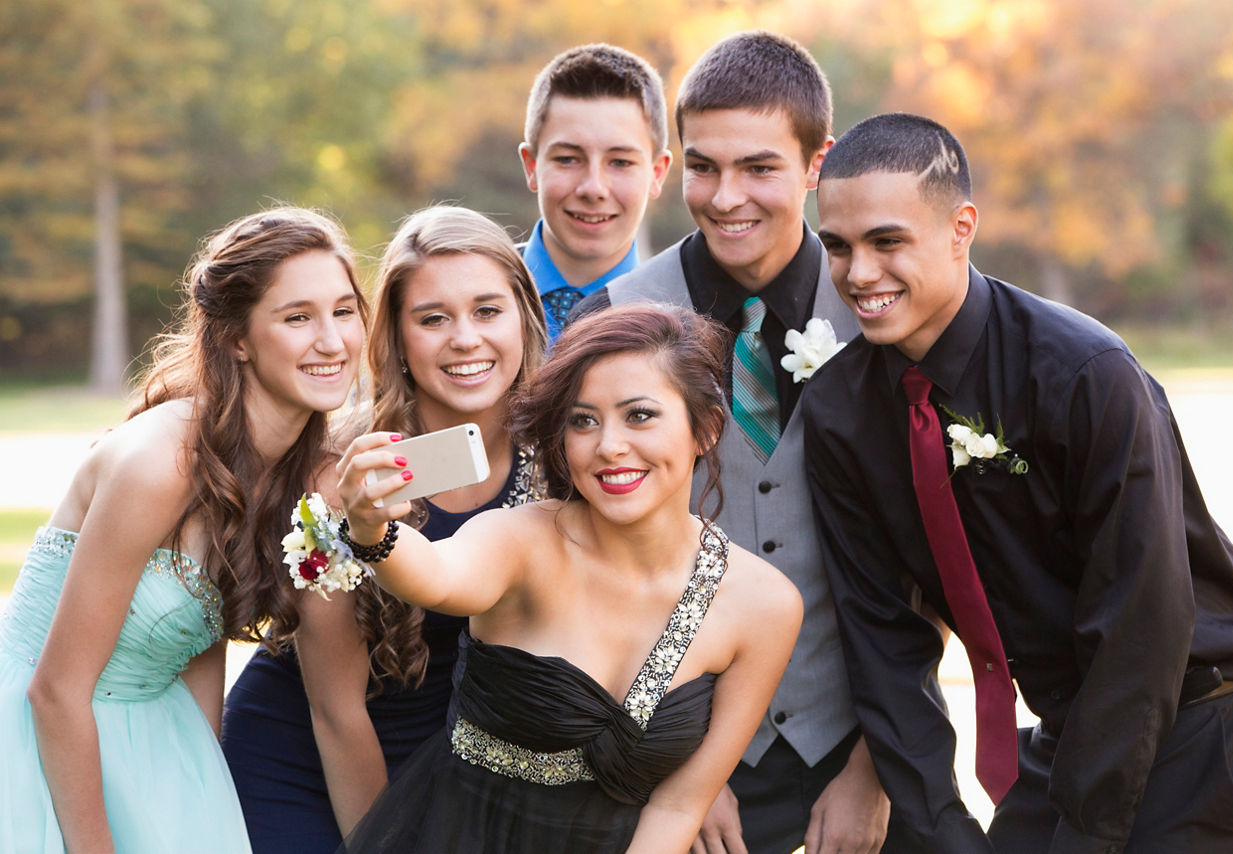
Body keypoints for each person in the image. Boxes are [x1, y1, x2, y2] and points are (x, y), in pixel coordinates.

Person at [806, 111, 1233, 853]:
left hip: (1197, 727)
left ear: (961, 227)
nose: (858, 273)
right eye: (837, 246)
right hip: (1068, 734)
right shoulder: (839, 412)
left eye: (887, 241)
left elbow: (1143, 620)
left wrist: (1084, 836)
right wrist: (941, 830)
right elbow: (882, 640)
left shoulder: (1086, 374)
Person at [570, 30, 892, 854]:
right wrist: (675, 770)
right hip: (677, 745)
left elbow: (927, 564)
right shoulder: (615, 317)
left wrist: (876, 768)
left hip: (856, 739)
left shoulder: (883, 313)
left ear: (816, 163)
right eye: (704, 167)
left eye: (759, 168)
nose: (725, 197)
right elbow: (594, 562)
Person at [332, 303, 802, 853]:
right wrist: (369, 528)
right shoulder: (521, 540)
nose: (609, 446)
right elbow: (435, 576)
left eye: (640, 415)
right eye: (583, 420)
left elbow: (679, 804)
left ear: (706, 429)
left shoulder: (765, 605)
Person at [0, 207, 367, 853]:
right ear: (236, 339)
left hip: (156, 741)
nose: (333, 341)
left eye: (343, 310)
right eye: (297, 317)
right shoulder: (161, 465)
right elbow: (56, 690)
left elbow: (197, 648)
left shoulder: (305, 480)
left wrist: (200, 807)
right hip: (41, 732)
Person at [220, 205, 549, 852]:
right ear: (395, 339)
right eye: (433, 319)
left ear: (525, 318)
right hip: (308, 757)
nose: (465, 338)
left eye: (488, 311)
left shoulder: (562, 462)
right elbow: (337, 714)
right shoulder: (340, 471)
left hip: (455, 774)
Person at [518, 43, 673, 339]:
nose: (593, 188)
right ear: (531, 167)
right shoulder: (472, 299)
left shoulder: (683, 321)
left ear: (657, 173)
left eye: (620, 162)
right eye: (567, 159)